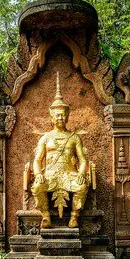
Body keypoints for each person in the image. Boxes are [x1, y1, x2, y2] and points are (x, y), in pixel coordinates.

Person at [31, 73, 89, 229]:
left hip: (69, 174)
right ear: (51, 117)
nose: (60, 118)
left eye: (63, 115)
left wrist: (81, 174)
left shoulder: (74, 137)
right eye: (57, 115)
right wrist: (38, 174)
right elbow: (37, 160)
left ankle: (74, 216)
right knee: (37, 187)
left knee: (81, 186)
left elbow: (83, 160)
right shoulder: (45, 138)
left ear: (68, 117)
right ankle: (46, 216)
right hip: (50, 174)